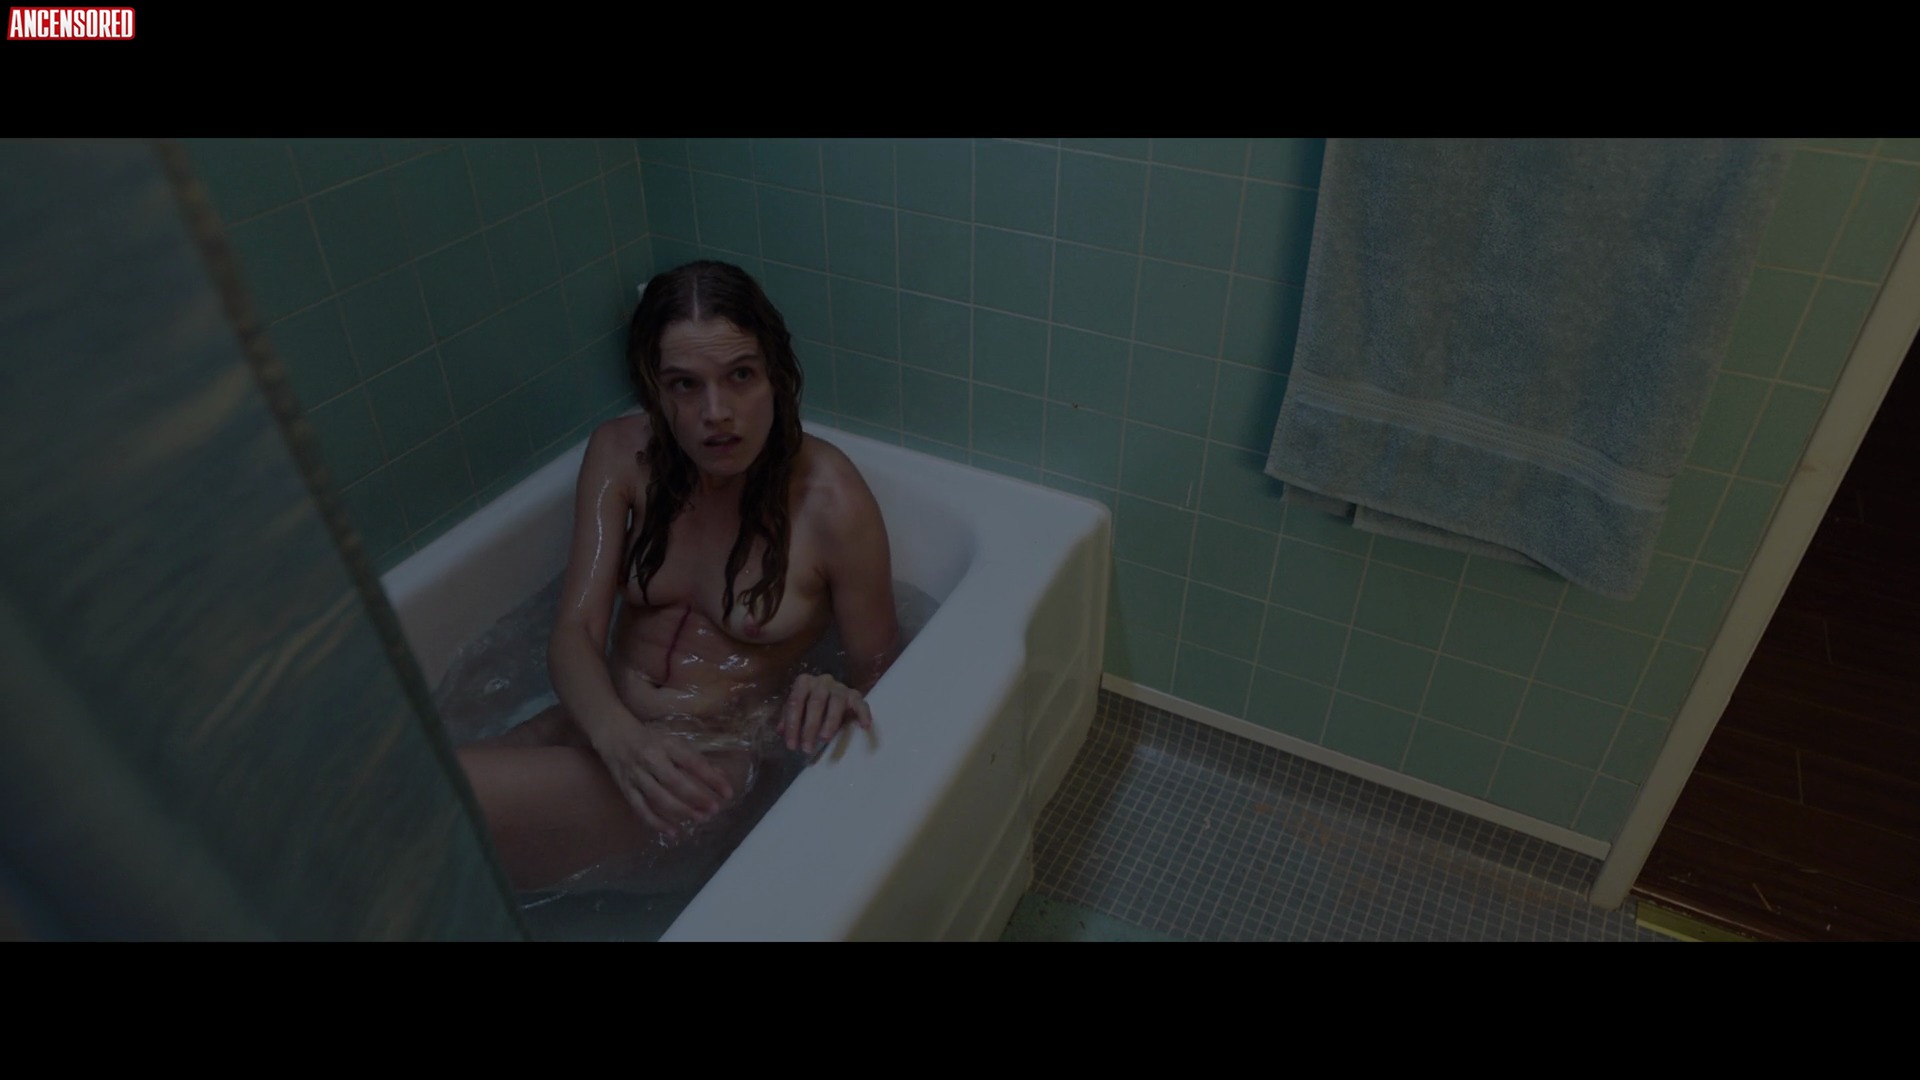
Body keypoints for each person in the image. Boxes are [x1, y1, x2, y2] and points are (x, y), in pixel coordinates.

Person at [456, 260, 899, 892]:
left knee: (434, 810)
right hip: (597, 722)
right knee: (389, 797)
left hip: (706, 767)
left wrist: (835, 689)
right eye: (685, 385)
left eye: (740, 375)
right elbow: (576, 632)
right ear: (655, 390)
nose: (717, 412)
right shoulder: (620, 456)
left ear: (776, 374)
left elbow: (885, 669)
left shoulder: (830, 503)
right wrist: (618, 739)